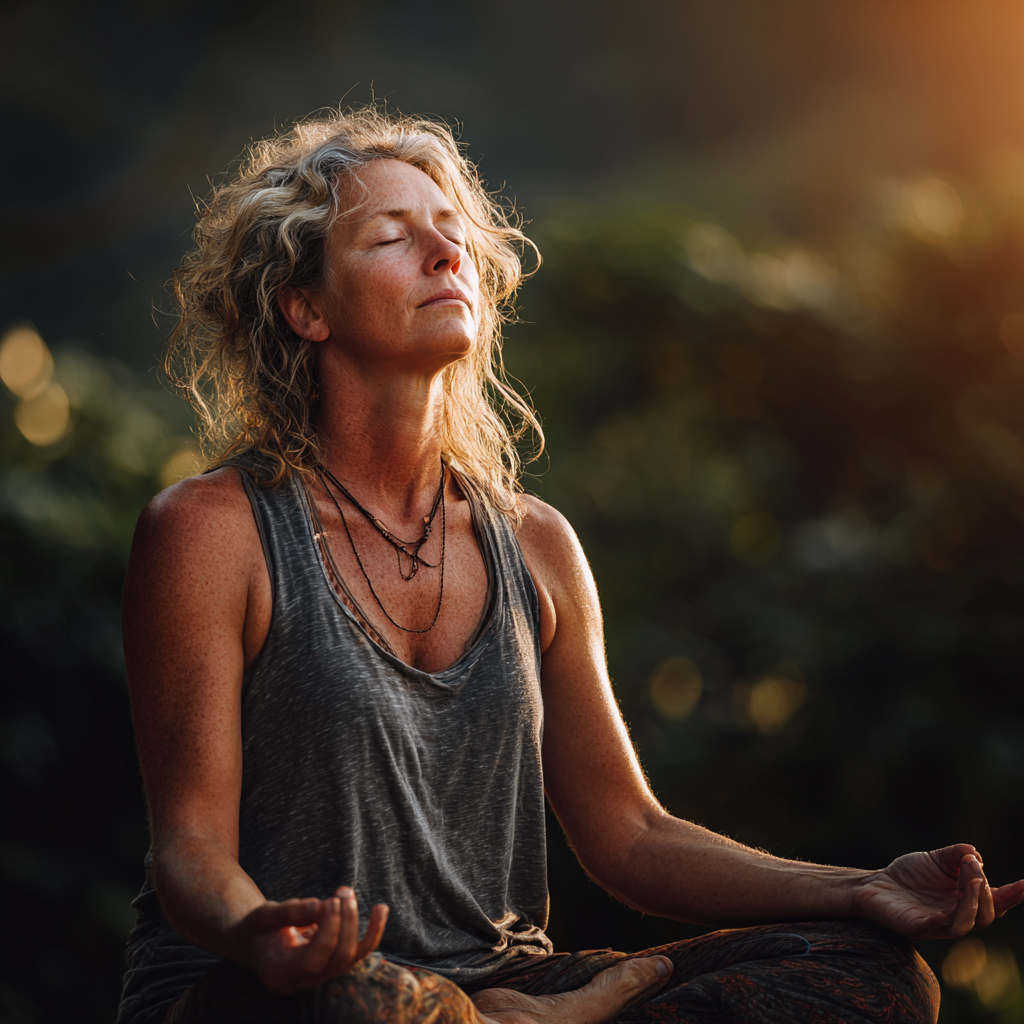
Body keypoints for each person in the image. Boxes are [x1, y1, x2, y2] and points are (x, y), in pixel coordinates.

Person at [117, 108, 1024, 1024]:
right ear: (305, 307)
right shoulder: (211, 530)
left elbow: (630, 836)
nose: (444, 253)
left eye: (452, 232)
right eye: (392, 237)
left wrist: (859, 887)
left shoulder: (534, 543)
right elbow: (190, 849)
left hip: (502, 981)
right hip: (272, 989)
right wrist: (261, 931)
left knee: (872, 977)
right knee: (363, 1005)